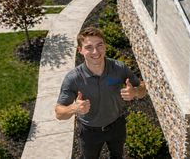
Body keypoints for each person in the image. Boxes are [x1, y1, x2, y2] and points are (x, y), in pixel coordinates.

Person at [55, 27, 146, 159]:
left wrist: (135, 92)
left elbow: (143, 88)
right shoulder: (73, 78)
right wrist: (74, 108)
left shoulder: (119, 68)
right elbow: (59, 113)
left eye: (99, 45)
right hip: (89, 131)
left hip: (117, 125)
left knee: (117, 156)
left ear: (105, 46)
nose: (95, 51)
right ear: (80, 50)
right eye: (89, 47)